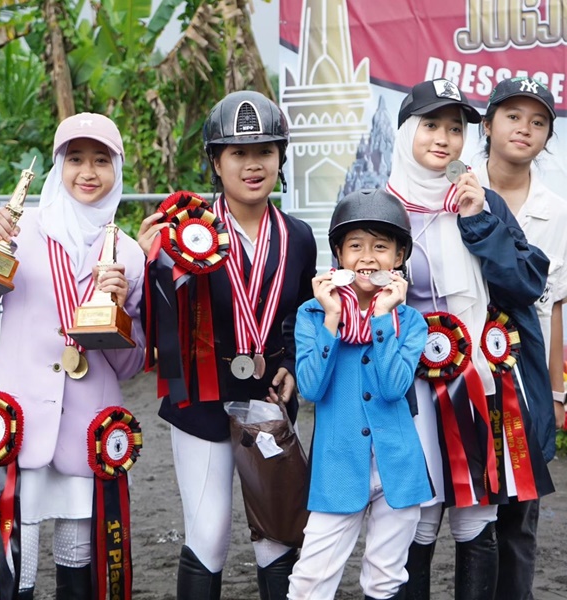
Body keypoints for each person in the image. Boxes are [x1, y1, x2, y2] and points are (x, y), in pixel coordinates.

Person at [139, 90, 317, 599]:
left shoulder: (300, 237)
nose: (253, 164)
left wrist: (295, 365)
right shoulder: (183, 232)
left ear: (281, 156)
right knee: (209, 533)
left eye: (264, 150)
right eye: (238, 153)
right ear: (215, 162)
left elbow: (301, 316)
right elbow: (155, 320)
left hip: (269, 398)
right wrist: (151, 265)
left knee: (278, 536)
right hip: (199, 398)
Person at [0, 113, 144, 599]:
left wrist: (125, 305)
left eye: (101, 160)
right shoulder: (16, 232)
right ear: (58, 166)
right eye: (76, 159)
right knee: (13, 572)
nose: (88, 172)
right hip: (16, 425)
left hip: (88, 430)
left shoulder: (128, 254)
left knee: (78, 567)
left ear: (117, 169)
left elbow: (131, 366)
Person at [387, 78, 549, 600]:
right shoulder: (380, 208)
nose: (444, 139)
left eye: (456, 129)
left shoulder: (484, 203)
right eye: (431, 125)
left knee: (477, 516)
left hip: (480, 384)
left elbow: (526, 285)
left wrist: (479, 220)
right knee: (420, 515)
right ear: (407, 131)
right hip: (411, 393)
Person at [286, 189, 429, 600]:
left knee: (385, 580)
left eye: (381, 246)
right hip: (338, 466)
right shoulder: (313, 314)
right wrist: (333, 317)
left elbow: (393, 387)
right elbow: (310, 387)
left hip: (397, 470)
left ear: (399, 256)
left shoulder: (410, 322)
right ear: (338, 255)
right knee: (310, 581)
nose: (368, 256)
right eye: (356, 246)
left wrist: (382, 317)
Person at [473, 76, 563, 600]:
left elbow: (553, 309)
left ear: (548, 137)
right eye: (511, 116)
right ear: (486, 125)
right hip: (454, 377)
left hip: (522, 384)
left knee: (517, 522)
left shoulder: (558, 211)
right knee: (450, 521)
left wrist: (555, 394)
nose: (523, 129)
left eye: (537, 122)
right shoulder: (453, 193)